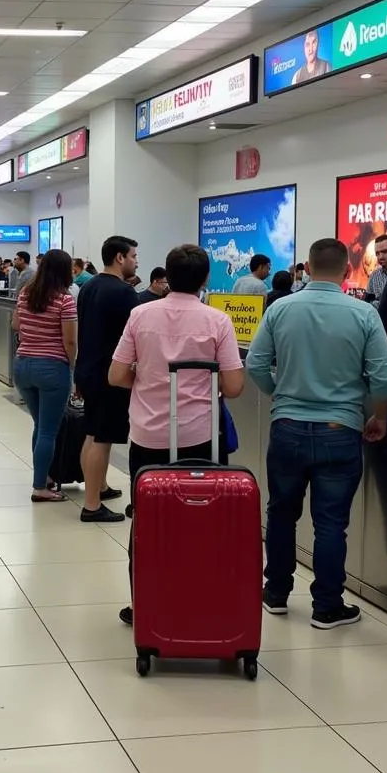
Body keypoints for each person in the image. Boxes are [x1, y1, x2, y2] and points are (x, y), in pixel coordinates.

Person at [246, 238, 387, 629]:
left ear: (307, 270)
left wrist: (278, 395)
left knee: (281, 514)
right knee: (331, 523)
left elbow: (257, 364)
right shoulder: (364, 314)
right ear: (348, 271)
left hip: (288, 429)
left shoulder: (280, 308)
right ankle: (327, 607)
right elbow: (383, 376)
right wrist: (378, 415)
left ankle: (276, 593)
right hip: (341, 430)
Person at [110, 244, 245, 625]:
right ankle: (196, 596)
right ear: (206, 279)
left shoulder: (140, 315)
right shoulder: (217, 321)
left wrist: (149, 380)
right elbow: (233, 386)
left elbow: (116, 375)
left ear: (166, 276)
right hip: (199, 437)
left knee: (148, 519)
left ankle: (142, 603)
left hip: (148, 437)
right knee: (199, 518)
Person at [75, 235, 139, 523]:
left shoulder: (88, 287)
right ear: (119, 258)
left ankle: (98, 487)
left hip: (89, 369)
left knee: (93, 432)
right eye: (133, 256)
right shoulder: (124, 293)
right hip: (110, 375)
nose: (136, 261)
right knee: (101, 438)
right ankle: (91, 505)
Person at [12, 249, 77, 503]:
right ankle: (40, 486)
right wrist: (72, 367)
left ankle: (46, 477)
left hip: (23, 366)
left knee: (40, 426)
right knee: (49, 430)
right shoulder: (64, 300)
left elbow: (16, 325)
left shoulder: (26, 293)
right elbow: (70, 341)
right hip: (52, 368)